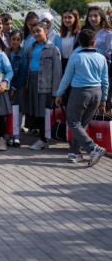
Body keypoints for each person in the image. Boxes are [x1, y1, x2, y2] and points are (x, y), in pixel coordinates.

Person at [55, 28, 109, 166]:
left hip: (80, 92)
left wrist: (59, 93)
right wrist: (104, 98)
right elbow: (105, 80)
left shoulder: (76, 56)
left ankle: (93, 148)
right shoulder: (101, 57)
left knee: (73, 122)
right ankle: (74, 152)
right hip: (96, 93)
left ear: (79, 42)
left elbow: (67, 78)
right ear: (94, 42)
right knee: (82, 124)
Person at [26, 22, 62, 151]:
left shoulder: (53, 49)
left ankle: (43, 139)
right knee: (36, 112)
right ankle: (42, 137)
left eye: (38, 31)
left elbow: (57, 72)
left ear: (46, 31)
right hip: (32, 83)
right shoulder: (31, 47)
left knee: (43, 113)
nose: (36, 34)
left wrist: (57, 92)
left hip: (45, 85)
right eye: (33, 31)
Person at [7, 30, 27, 147]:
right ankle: (10, 134)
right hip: (7, 86)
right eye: (13, 39)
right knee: (9, 111)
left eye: (17, 40)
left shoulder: (23, 54)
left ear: (21, 41)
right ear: (9, 40)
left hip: (18, 87)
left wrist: (14, 86)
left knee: (18, 111)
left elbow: (23, 72)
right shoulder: (6, 53)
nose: (15, 42)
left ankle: (16, 135)